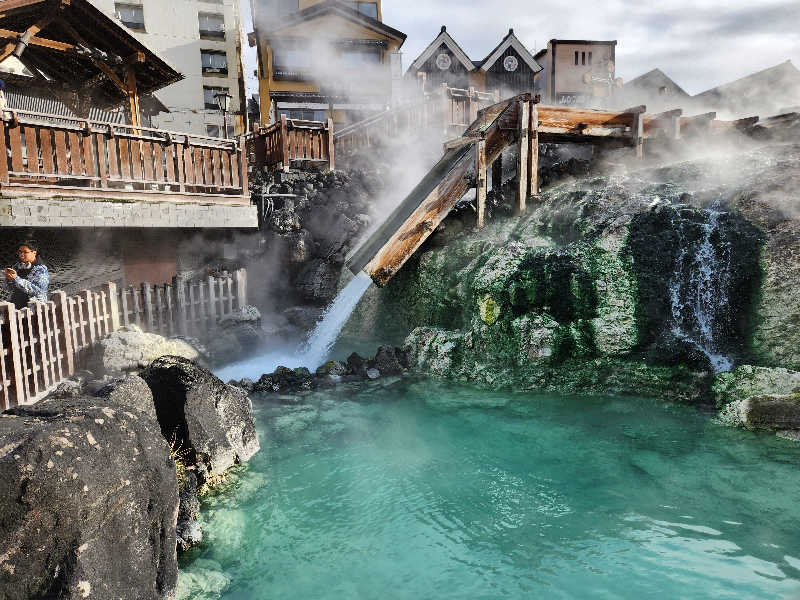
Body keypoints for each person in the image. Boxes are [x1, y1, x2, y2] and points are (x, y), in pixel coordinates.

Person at [3, 241, 49, 309]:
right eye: (20, 252)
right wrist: (8, 279)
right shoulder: (17, 266)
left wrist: (16, 279)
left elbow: (38, 290)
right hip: (15, 305)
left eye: (25, 252)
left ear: (34, 252)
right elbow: (8, 288)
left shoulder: (41, 269)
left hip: (33, 308)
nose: (21, 254)